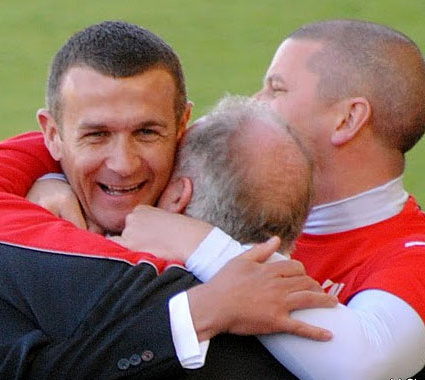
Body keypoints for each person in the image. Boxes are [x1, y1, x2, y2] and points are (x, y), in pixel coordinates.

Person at [0, 21, 335, 379]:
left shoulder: (243, 276)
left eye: (147, 132)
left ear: (182, 123)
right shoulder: (14, 252)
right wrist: (49, 175)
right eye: (96, 135)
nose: (123, 165)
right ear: (52, 135)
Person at [107, 19, 425, 379]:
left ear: (347, 119)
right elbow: (103, 148)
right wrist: (51, 178)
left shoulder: (413, 256)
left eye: (276, 89)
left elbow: (362, 367)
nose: (256, 102)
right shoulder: (237, 185)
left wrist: (199, 242)